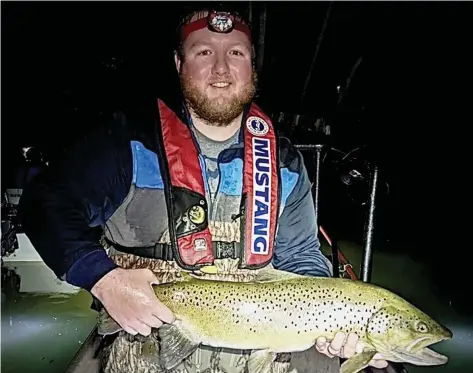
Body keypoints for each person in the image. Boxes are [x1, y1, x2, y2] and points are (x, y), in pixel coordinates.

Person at [18, 6, 388, 373]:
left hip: (261, 356)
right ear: (180, 64)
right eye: (204, 52)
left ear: (252, 68)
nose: (222, 69)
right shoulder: (126, 143)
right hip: (146, 347)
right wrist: (104, 279)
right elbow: (45, 204)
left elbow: (301, 259)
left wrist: (333, 325)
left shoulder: (284, 162)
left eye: (236, 53)